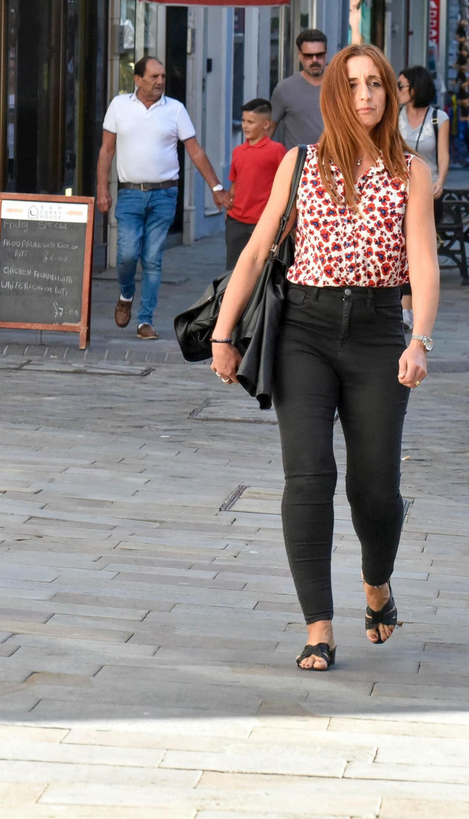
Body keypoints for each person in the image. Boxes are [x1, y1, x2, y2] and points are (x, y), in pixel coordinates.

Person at [211, 43, 437, 670]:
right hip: (303, 331)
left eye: (376, 85)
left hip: (377, 332)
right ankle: (318, 627)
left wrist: (420, 339)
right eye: (353, 85)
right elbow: (256, 253)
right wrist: (223, 335)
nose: (365, 95)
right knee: (308, 476)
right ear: (334, 94)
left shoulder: (412, 172)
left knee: (376, 489)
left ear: (391, 95)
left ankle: (376, 582)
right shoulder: (300, 161)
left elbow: (422, 261)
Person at [96, 56, 231, 340]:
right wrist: (102, 190)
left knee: (153, 259)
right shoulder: (119, 106)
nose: (160, 82)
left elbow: (195, 151)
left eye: (163, 77)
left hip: (165, 194)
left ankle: (145, 321)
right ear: (138, 79)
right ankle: (126, 294)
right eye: (154, 76)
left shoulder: (175, 109)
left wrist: (216, 188)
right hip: (130, 193)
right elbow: (107, 151)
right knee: (127, 254)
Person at [225, 99, 287, 271]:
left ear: (266, 124)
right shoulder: (238, 152)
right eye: (244, 121)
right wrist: (229, 211)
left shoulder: (277, 151)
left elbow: (285, 186)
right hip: (236, 222)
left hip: (263, 222)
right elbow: (235, 184)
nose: (245, 126)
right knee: (232, 270)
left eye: (251, 122)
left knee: (262, 270)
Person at [271, 29, 330, 148]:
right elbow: (267, 134)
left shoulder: (341, 86)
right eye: (308, 56)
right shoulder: (284, 89)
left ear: (326, 53)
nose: (314, 60)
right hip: (298, 163)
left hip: (337, 162)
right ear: (300, 55)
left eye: (319, 55)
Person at [397, 66, 450, 198]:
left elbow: (443, 155)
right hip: (399, 187)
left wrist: (440, 181)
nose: (397, 90)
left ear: (415, 88)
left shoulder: (439, 118)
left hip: (429, 186)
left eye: (400, 86)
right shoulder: (393, 117)